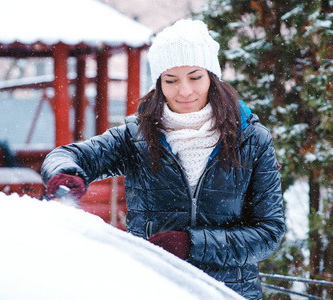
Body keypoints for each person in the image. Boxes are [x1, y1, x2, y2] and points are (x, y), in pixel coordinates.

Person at [41, 19, 285, 300]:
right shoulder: (136, 138)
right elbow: (67, 155)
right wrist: (66, 174)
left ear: (212, 77)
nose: (184, 91)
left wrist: (192, 244)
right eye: (171, 80)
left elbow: (268, 233)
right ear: (158, 83)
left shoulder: (252, 140)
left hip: (228, 292)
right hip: (153, 288)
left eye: (195, 77)